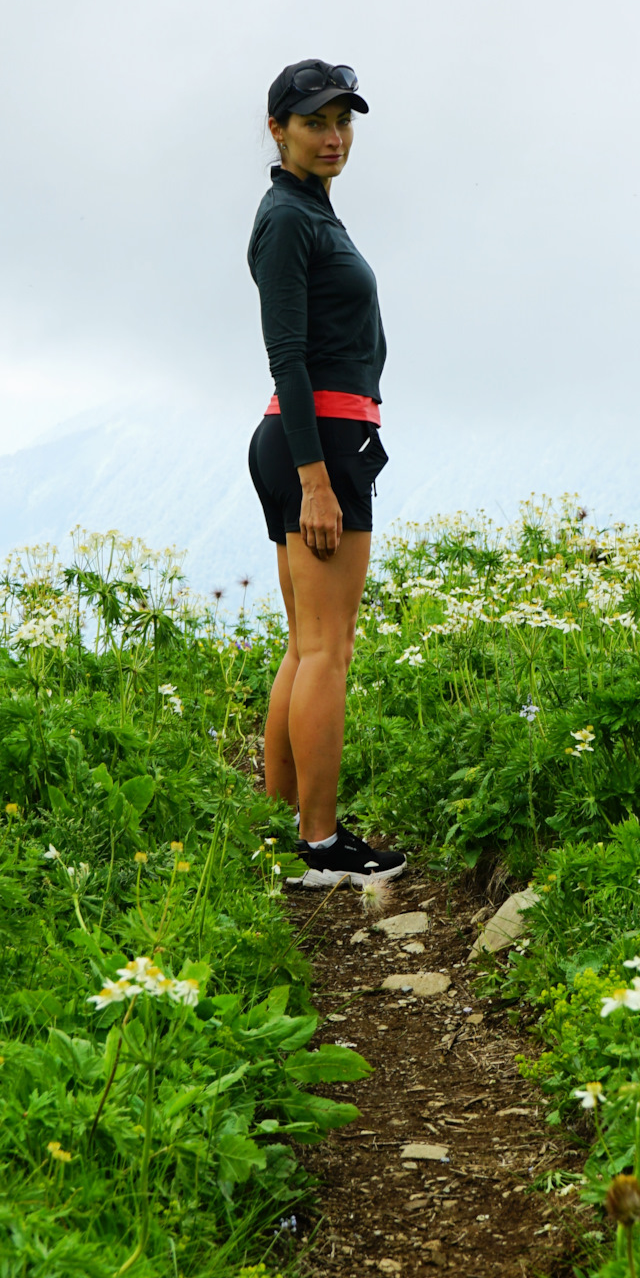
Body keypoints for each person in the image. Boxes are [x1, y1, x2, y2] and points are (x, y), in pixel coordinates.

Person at [247, 59, 407, 887]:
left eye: (343, 119)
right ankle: (320, 845)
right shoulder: (287, 218)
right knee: (328, 651)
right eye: (314, 121)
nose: (334, 135)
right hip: (321, 444)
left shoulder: (309, 212)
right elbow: (289, 354)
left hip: (316, 440)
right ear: (278, 129)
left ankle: (281, 819)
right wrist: (316, 478)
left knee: (305, 645)